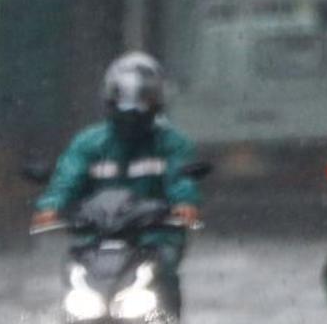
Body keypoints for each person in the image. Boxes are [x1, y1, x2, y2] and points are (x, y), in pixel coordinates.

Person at [32, 52, 201, 299]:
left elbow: (181, 180)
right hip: (96, 239)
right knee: (72, 270)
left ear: (157, 100)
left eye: (142, 99)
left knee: (163, 270)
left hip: (154, 238)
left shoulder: (173, 144)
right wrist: (51, 206)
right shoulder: (88, 144)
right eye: (123, 100)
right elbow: (66, 178)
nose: (131, 109)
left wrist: (184, 205)